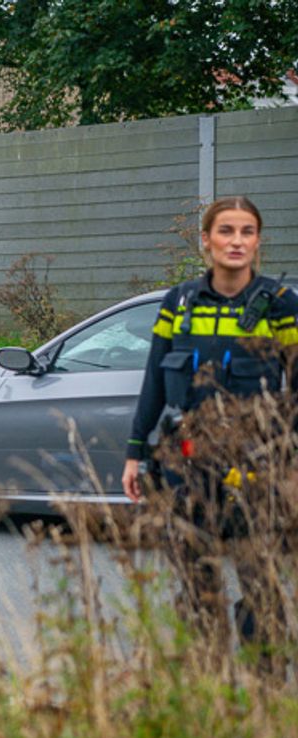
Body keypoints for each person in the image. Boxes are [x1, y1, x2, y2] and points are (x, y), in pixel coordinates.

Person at [122, 196, 297, 669]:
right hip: (186, 464)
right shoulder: (177, 302)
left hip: (256, 466)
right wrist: (135, 454)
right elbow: (155, 381)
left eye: (246, 231)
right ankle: (206, 674)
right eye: (226, 231)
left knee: (258, 573)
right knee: (195, 573)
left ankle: (265, 673)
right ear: (207, 240)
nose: (236, 241)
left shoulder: (281, 306)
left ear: (258, 241)